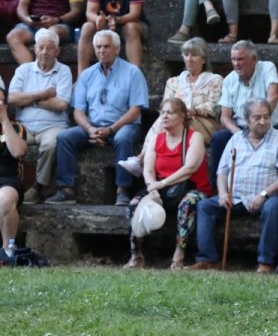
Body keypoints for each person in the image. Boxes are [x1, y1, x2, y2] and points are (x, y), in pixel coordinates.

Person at [189, 98, 278, 273]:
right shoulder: (235, 140)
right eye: (257, 118)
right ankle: (207, 259)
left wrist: (263, 194)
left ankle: (265, 262)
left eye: (266, 117)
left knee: (272, 207)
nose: (263, 122)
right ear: (247, 120)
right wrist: (223, 193)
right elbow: (222, 172)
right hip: (236, 197)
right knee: (204, 207)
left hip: (268, 197)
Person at [45, 30, 148, 206]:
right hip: (93, 126)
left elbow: (135, 111)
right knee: (64, 137)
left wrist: (111, 130)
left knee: (123, 138)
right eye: (98, 47)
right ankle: (66, 190)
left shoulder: (132, 72)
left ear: (117, 49)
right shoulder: (87, 75)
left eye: (106, 46)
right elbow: (78, 111)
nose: (102, 51)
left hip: (124, 125)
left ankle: (122, 190)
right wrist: (90, 129)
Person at [123, 98, 210, 270]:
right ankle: (136, 254)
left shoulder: (195, 137)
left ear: (182, 116)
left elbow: (189, 168)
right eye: (162, 112)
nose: (164, 116)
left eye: (169, 112)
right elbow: (148, 169)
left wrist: (162, 183)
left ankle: (179, 253)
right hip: (160, 187)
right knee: (133, 205)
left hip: (191, 186)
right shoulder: (156, 139)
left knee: (188, 203)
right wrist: (152, 186)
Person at [118, 38, 223, 178]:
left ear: (203, 59)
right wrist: (178, 113)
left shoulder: (215, 80)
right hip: (177, 121)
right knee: (165, 118)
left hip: (203, 122)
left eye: (194, 55)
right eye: (186, 55)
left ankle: (140, 159)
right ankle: (144, 162)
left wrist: (193, 110)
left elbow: (214, 107)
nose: (189, 59)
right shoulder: (173, 82)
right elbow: (165, 107)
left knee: (174, 120)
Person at [209, 40, 278, 194]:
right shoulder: (229, 80)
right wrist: (237, 133)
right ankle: (218, 192)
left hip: (269, 125)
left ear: (254, 59)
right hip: (241, 129)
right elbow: (225, 117)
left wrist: (259, 122)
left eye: (241, 59)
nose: (236, 64)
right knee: (218, 139)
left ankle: (272, 194)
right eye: (233, 59)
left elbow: (273, 96)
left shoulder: (267, 68)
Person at [9, 28, 72, 204]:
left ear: (57, 51)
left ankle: (37, 187)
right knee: (4, 140)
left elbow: (61, 104)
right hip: (24, 126)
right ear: (34, 49)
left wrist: (28, 99)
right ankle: (7, 184)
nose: (44, 52)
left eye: (49, 48)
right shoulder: (24, 70)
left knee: (51, 144)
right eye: (41, 47)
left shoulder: (64, 71)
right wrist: (43, 94)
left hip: (53, 126)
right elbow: (12, 98)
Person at [0, 94, 28, 260]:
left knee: (5, 199)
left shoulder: (17, 128)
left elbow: (18, 151)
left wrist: (4, 121)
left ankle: (6, 251)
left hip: (7, 180)